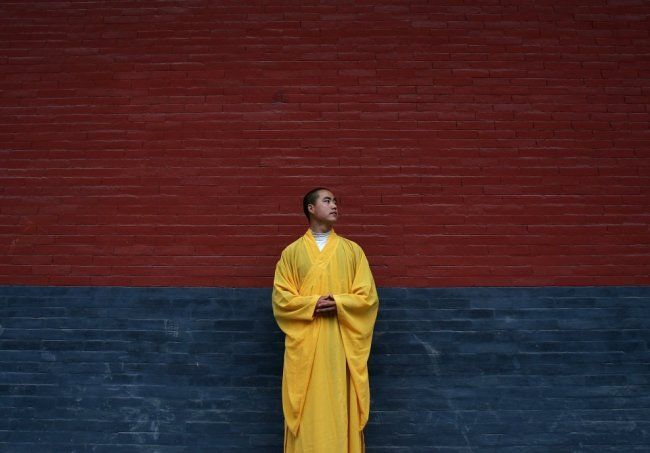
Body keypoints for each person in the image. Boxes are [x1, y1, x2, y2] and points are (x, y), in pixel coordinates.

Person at [272, 187, 379, 452]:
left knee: (338, 403)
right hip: (306, 345)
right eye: (327, 200)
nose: (334, 206)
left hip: (339, 346)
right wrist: (312, 304)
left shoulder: (353, 251)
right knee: (308, 406)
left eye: (335, 202)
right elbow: (281, 299)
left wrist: (340, 302)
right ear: (311, 208)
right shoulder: (292, 253)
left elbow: (367, 297)